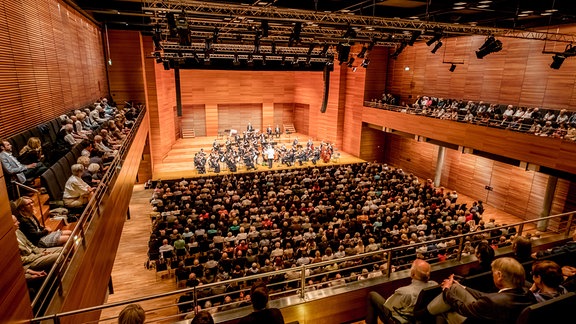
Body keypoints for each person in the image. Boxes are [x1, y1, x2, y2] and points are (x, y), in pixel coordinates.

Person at [427, 257, 537, 324]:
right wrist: (462, 286)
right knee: (456, 288)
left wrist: (446, 290)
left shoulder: (492, 302)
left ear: (499, 275)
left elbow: (462, 308)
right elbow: (486, 296)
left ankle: (421, 314)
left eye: (493, 272)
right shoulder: (527, 293)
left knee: (444, 311)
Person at [366, 259, 438, 324]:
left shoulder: (404, 292)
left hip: (399, 320)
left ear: (412, 274)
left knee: (372, 295)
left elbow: (388, 305)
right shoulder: (435, 285)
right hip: (420, 319)